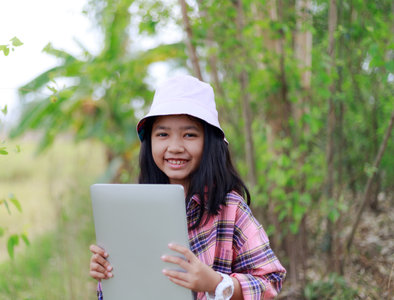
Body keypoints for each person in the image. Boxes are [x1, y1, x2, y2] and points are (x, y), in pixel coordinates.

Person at [89, 75, 286, 300]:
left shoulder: (231, 209)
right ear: (150, 141)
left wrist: (216, 283)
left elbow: (270, 281)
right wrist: (108, 274)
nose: (175, 147)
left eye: (189, 135)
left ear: (209, 142)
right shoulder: (134, 210)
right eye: (162, 134)